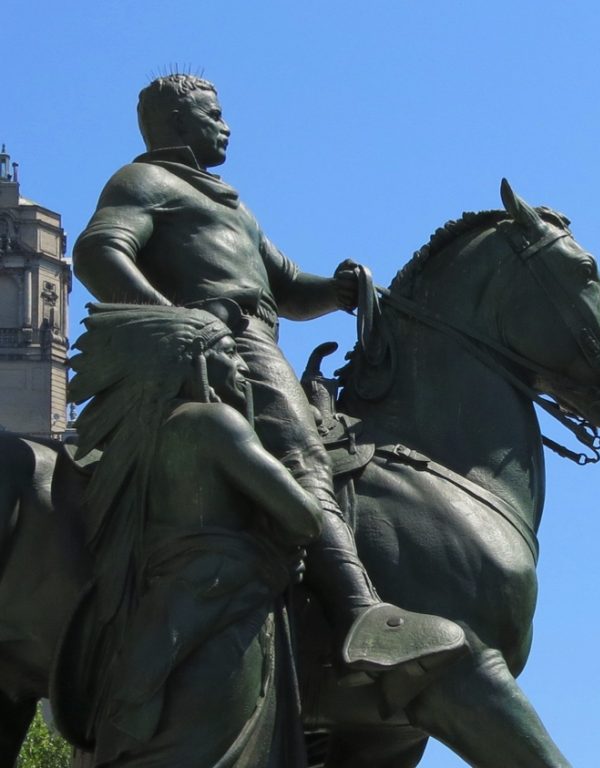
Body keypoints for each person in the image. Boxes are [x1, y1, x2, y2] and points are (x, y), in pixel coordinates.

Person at [72, 74, 464, 683]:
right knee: (305, 455)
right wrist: (181, 323)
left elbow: (284, 287)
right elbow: (99, 252)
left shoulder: (230, 203)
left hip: (255, 334)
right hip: (229, 345)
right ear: (179, 122)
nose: (226, 125)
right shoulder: (144, 181)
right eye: (214, 114)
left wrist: (337, 291)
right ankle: (362, 612)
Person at [65, 301, 318, 766]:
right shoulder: (214, 422)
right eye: (228, 352)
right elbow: (304, 518)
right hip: (223, 618)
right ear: (195, 360)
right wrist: (305, 460)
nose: (242, 365)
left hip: (161, 625)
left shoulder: (136, 444)